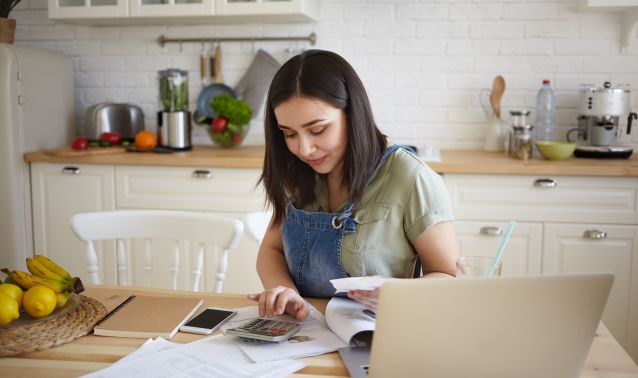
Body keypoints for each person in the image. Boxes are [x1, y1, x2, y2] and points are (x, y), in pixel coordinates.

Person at [247, 49, 459, 321]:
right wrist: (284, 291)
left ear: (352, 113)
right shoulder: (298, 173)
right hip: (304, 336)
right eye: (289, 134)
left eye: (318, 130)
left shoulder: (410, 177)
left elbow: (449, 277)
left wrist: (398, 293)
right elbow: (271, 250)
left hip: (380, 337)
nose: (304, 149)